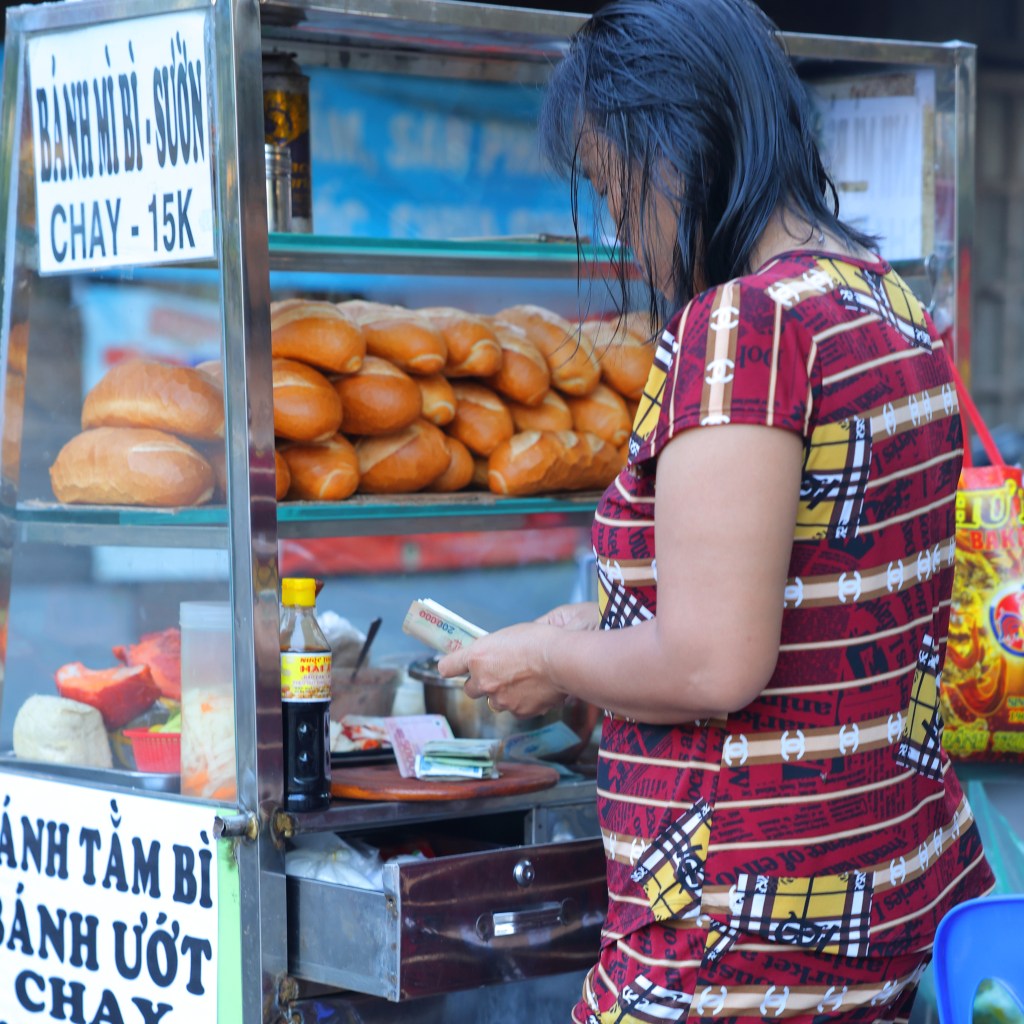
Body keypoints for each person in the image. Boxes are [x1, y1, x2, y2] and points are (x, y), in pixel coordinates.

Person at [437, 0, 996, 1021]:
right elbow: (819, 601)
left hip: (733, 938)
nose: (619, 229)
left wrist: (556, 660)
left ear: (676, 151)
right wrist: (600, 628)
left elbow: (709, 661)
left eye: (613, 189)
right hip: (879, 895)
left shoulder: (743, 325)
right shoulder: (885, 302)